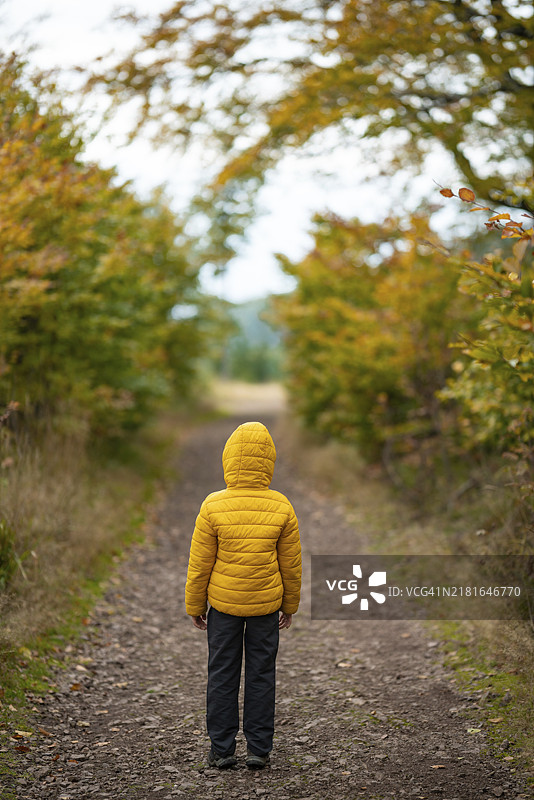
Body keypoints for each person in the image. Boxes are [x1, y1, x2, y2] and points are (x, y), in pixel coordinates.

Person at [185, 420, 302, 770]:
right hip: (266, 606)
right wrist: (290, 605)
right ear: (269, 462)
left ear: (228, 459)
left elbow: (200, 563)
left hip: (223, 606)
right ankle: (258, 749)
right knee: (262, 673)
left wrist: (195, 604)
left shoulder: (212, 505)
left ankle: (222, 750)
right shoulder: (281, 506)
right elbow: (291, 565)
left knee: (222, 672)